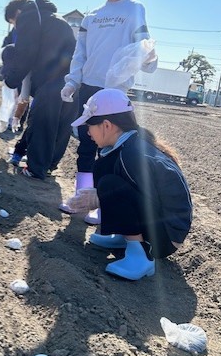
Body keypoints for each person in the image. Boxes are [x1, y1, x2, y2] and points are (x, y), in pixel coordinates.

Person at [60, 0, 157, 219]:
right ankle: (81, 199)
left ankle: (103, 206)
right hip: (89, 90)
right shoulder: (91, 17)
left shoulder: (134, 10)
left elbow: (142, 48)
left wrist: (149, 56)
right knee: (86, 146)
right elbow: (80, 54)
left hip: (114, 93)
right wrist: (72, 82)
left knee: (112, 150)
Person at [68, 89, 192, 280]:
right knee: (104, 171)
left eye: (89, 125)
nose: (87, 132)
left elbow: (142, 197)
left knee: (109, 185)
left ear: (106, 125)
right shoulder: (127, 146)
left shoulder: (132, 155)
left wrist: (100, 197)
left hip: (167, 237)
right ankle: (126, 236)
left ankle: (140, 254)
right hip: (160, 225)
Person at [1, 0, 79, 179]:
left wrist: (11, 80)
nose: (15, 27)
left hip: (50, 80)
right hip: (72, 79)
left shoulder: (28, 17)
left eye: (13, 23)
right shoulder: (54, 19)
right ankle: (49, 166)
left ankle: (36, 169)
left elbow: (25, 53)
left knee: (41, 123)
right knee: (61, 126)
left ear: (17, 13)